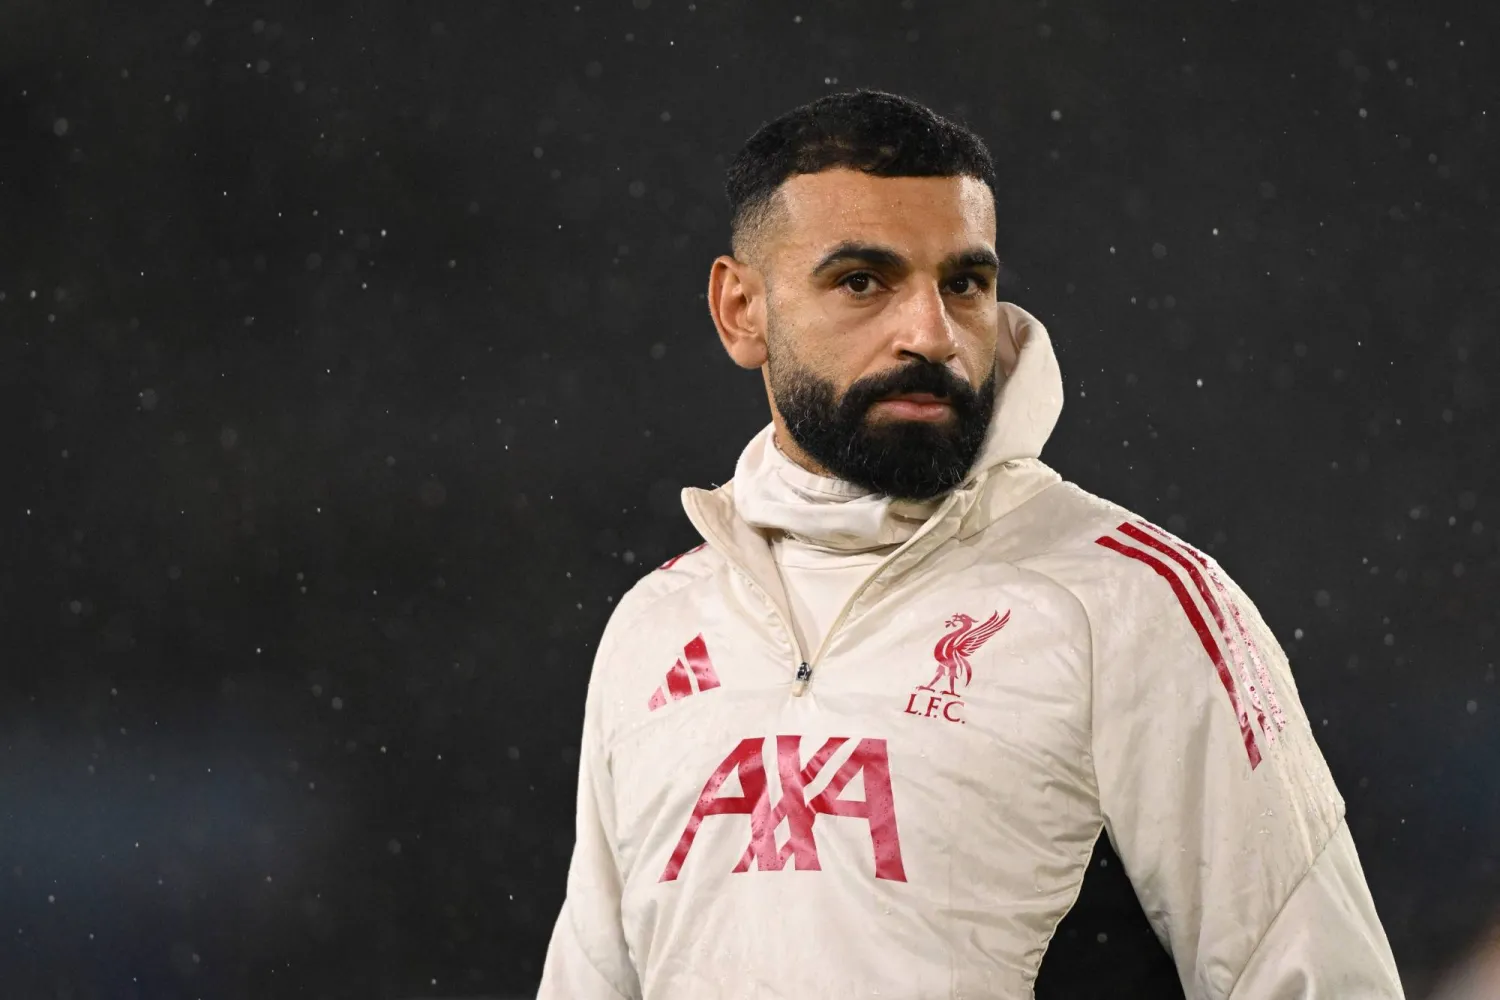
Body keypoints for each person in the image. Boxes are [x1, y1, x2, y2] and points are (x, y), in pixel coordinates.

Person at [537, 88, 1404, 999]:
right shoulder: (657, 626)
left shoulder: (1137, 603)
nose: (932, 334)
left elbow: (1316, 977)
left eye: (964, 283)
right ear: (741, 309)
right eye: (862, 282)